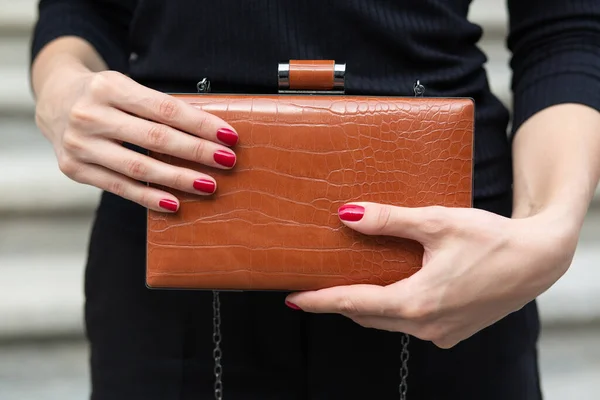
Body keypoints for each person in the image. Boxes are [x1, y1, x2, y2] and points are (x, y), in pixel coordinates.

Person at [29, 1, 600, 399]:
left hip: (455, 258)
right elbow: (81, 10)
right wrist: (60, 90)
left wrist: (548, 229)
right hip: (175, 219)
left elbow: (568, 26)